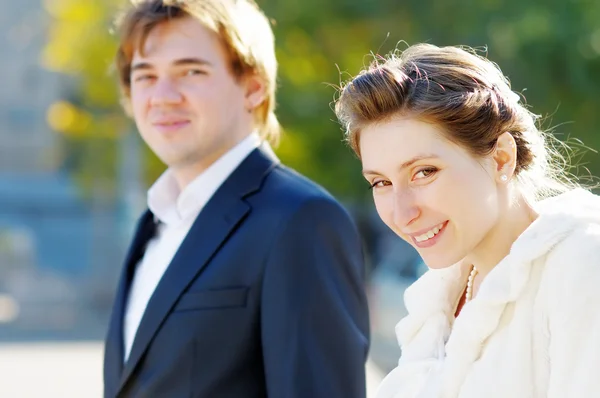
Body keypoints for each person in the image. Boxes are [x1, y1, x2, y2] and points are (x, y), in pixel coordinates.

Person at [102, 1, 370, 397]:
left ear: (253, 86)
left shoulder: (301, 220)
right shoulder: (153, 223)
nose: (162, 96)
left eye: (191, 71)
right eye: (145, 76)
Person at [334, 43, 600, 397]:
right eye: (381, 182)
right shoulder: (440, 295)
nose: (402, 213)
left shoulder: (582, 266)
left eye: (424, 172)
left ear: (502, 158)